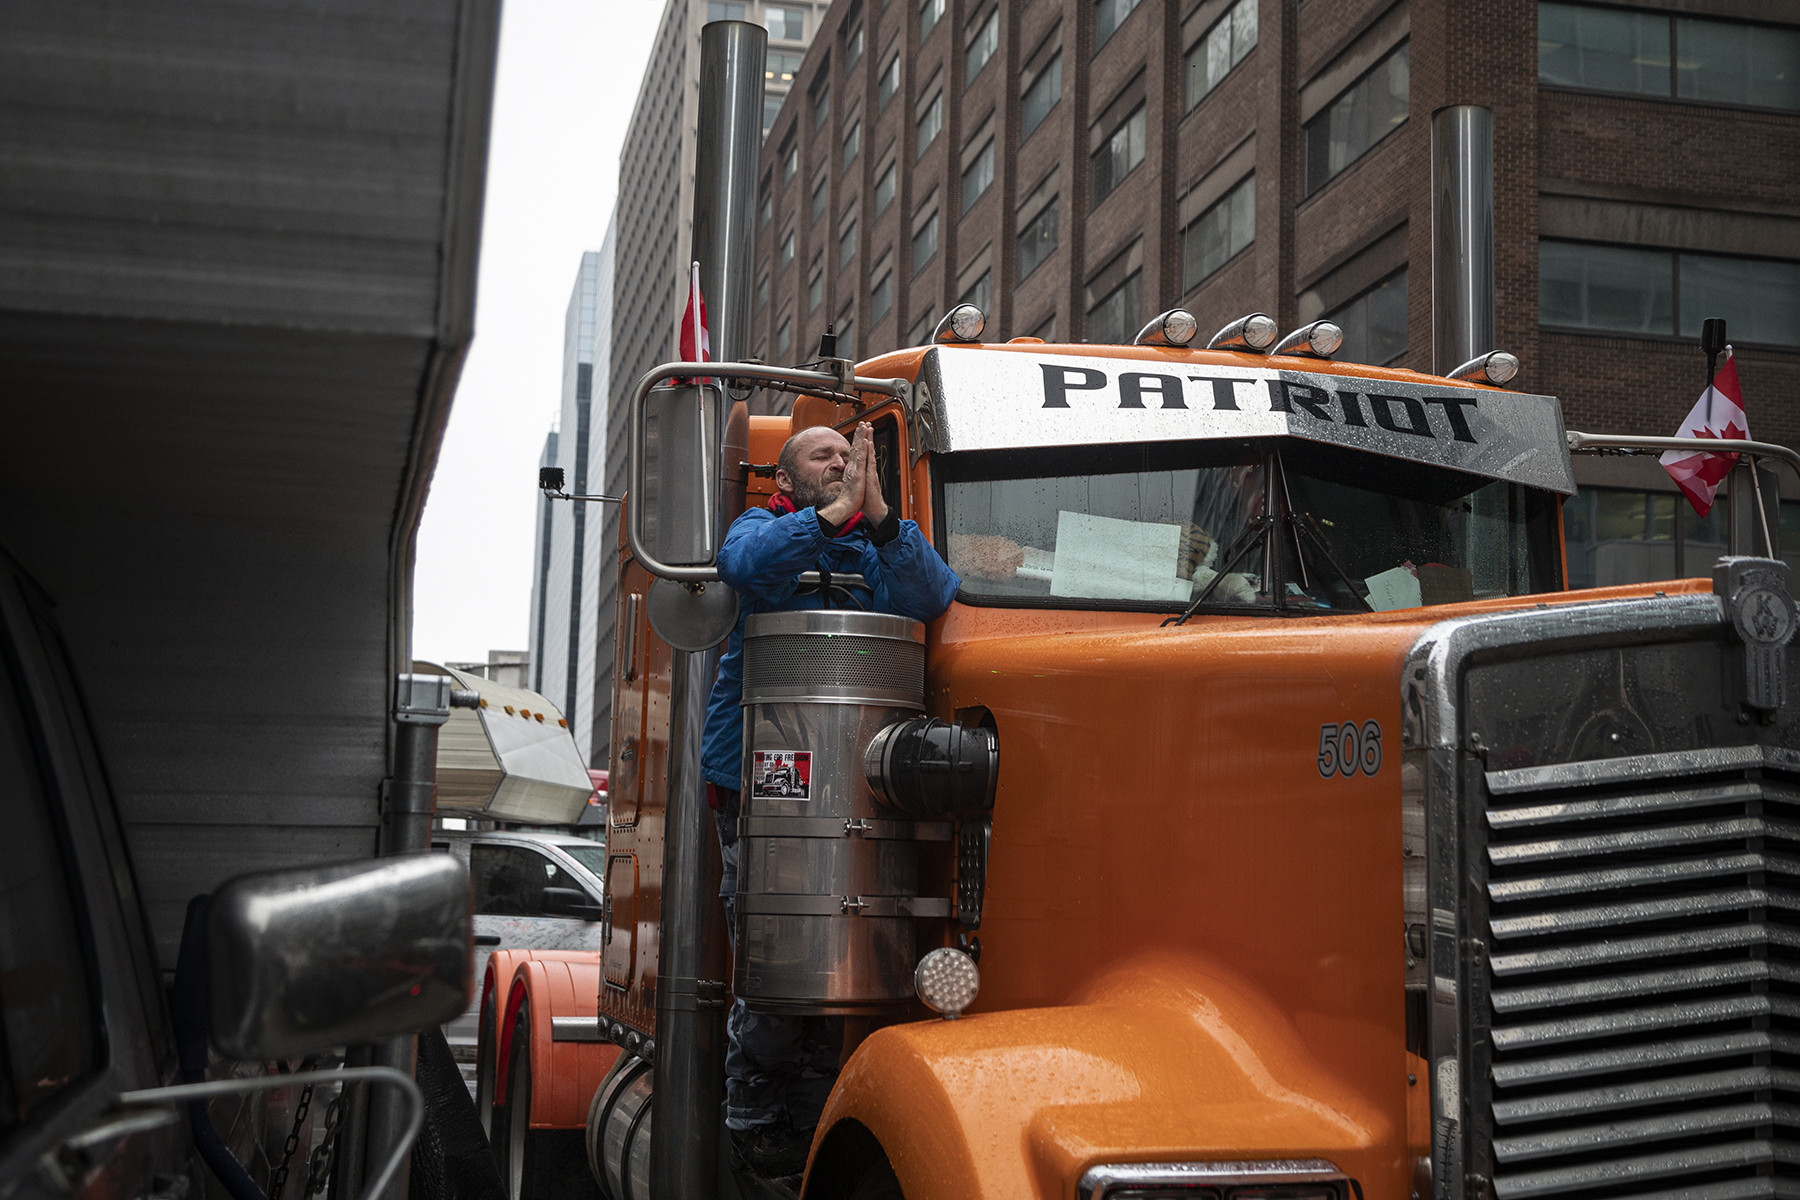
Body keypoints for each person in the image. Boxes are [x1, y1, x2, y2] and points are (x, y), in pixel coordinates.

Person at [701, 419, 959, 1179]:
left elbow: (932, 594)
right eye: (825, 456)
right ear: (786, 480)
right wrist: (828, 519)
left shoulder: (875, 551)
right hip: (761, 778)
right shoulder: (765, 526)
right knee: (778, 956)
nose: (842, 463)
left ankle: (811, 1125)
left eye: (851, 458)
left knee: (839, 966)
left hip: (856, 781)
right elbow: (743, 567)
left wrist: (878, 517)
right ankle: (751, 1115)